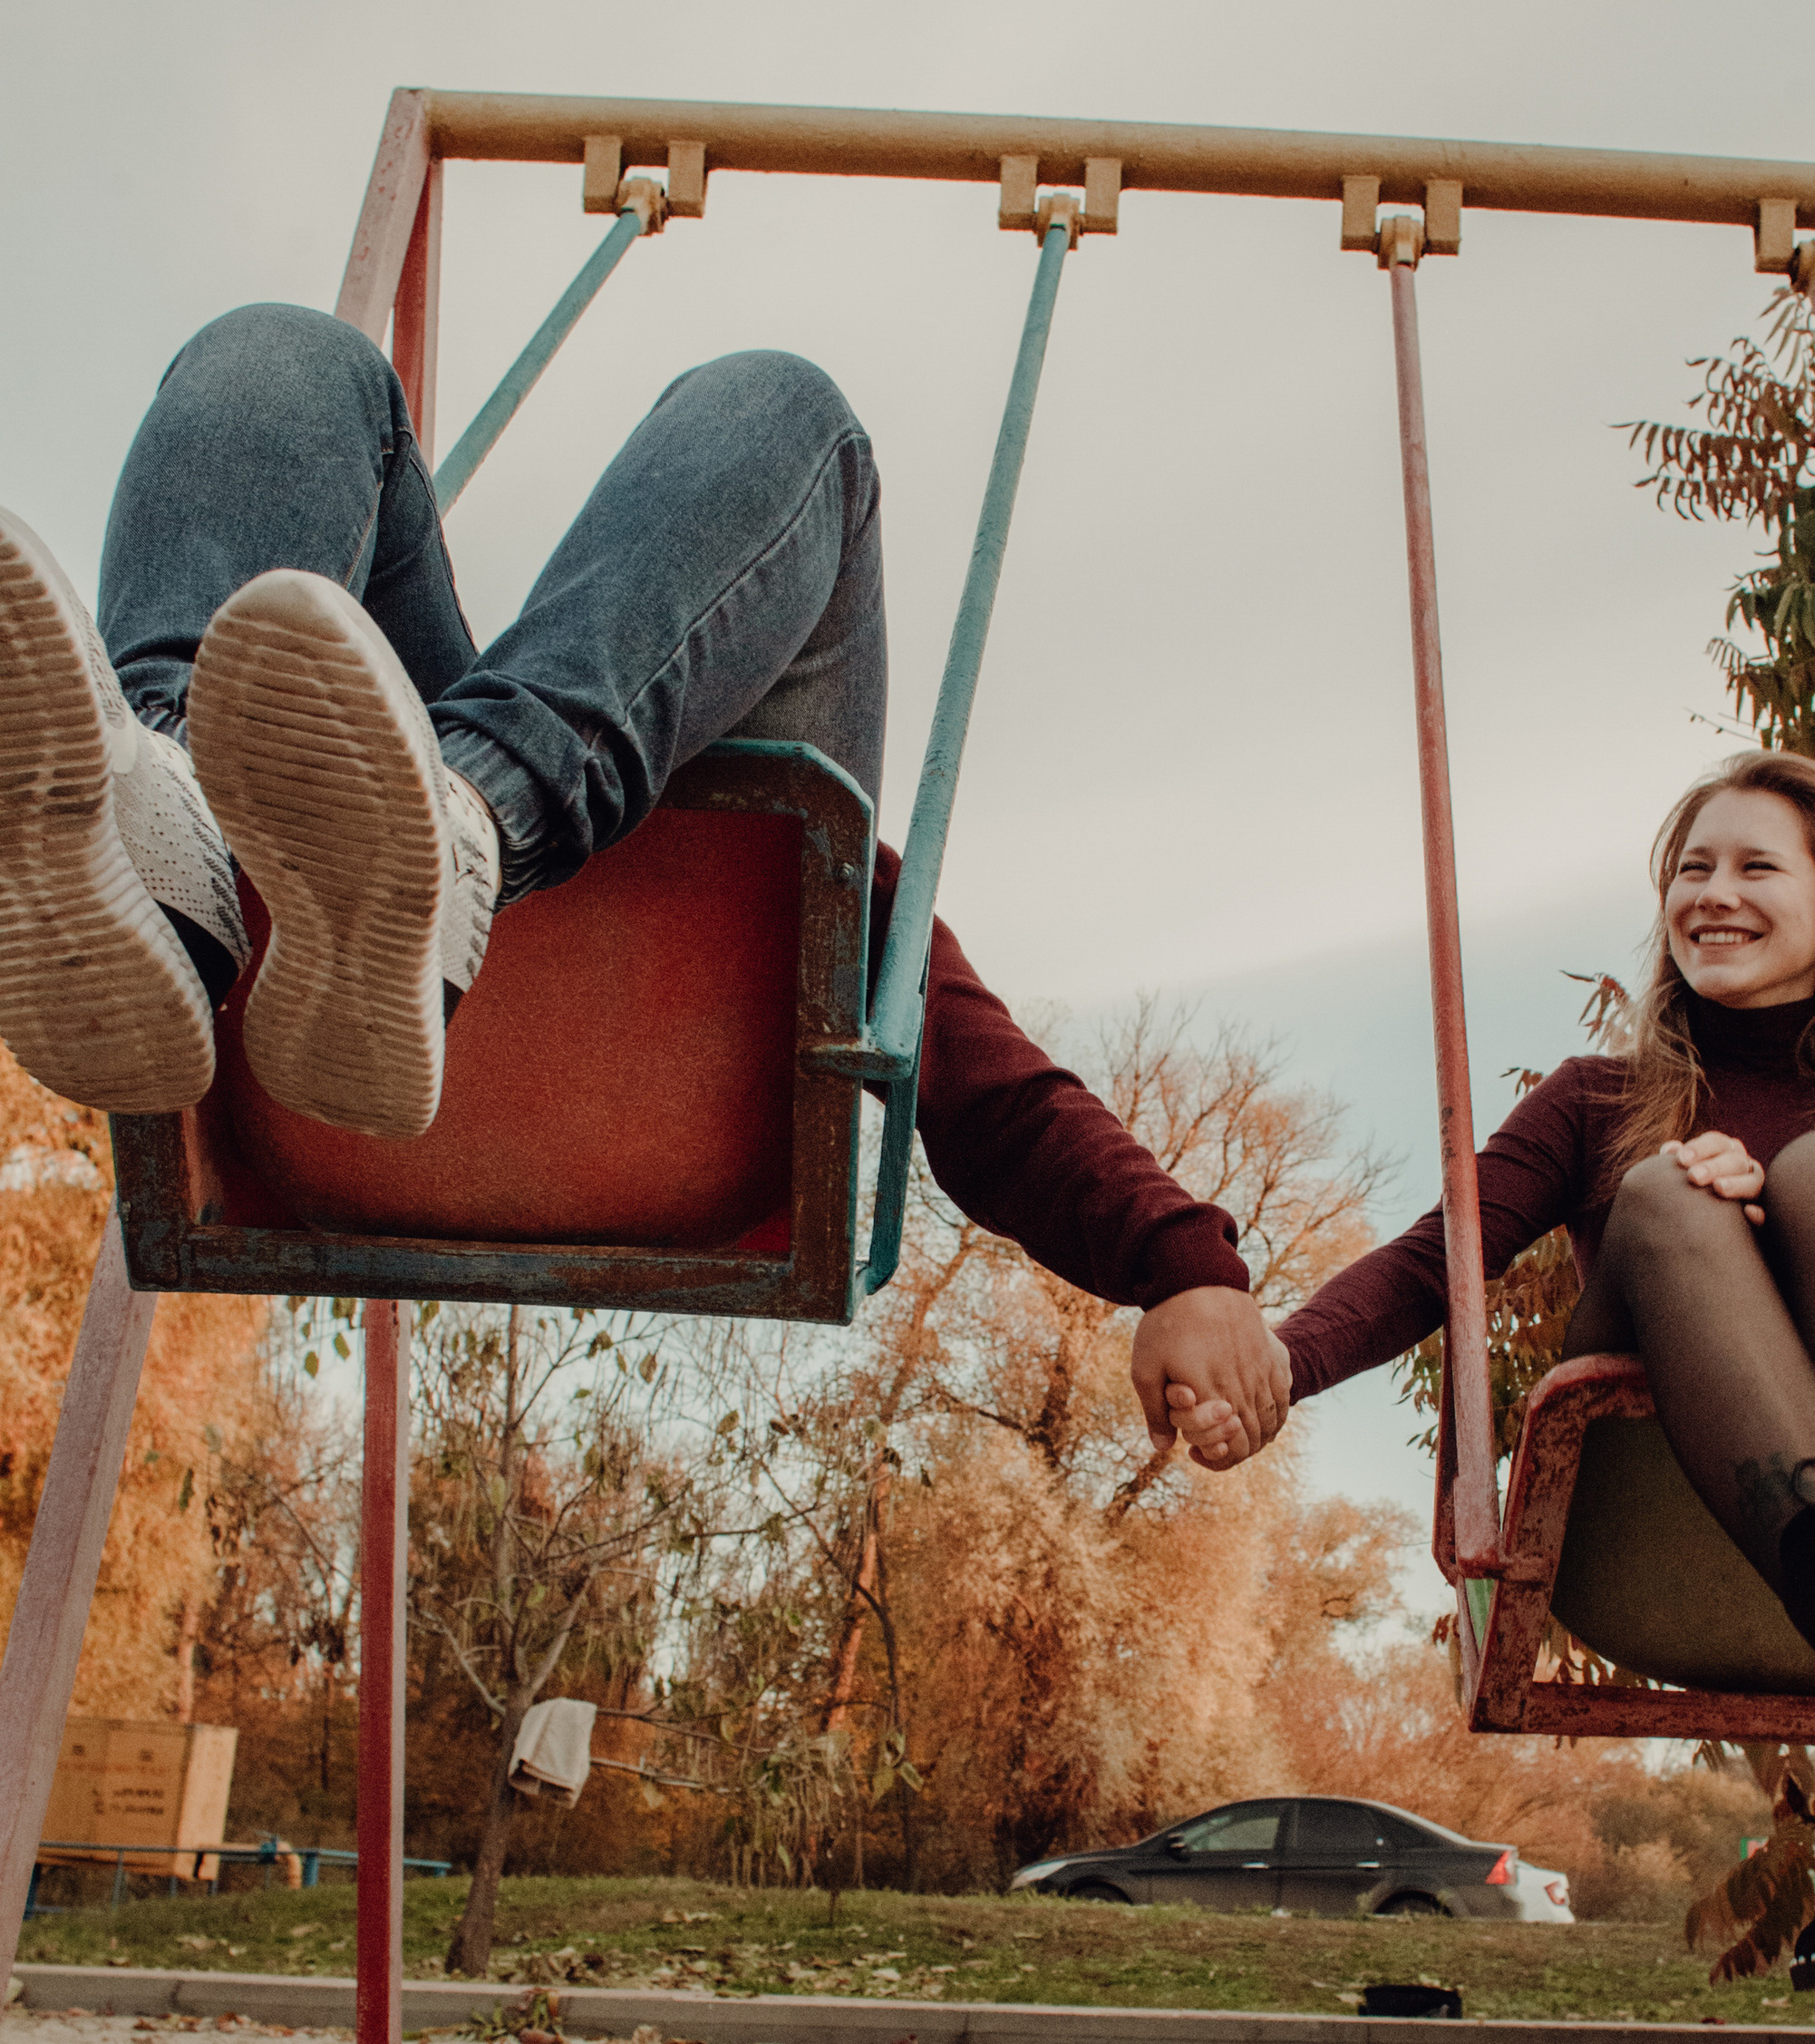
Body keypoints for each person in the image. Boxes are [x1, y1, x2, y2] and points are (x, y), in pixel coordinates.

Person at [0, 302, 1288, 1454]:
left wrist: (1181, 1262)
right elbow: (972, 1068)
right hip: (364, 1035)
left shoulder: (775, 867)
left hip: (434, 1092)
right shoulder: (791, 892)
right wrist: (1183, 1262)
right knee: (286, 356)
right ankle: (180, 862)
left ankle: (467, 821)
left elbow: (975, 1077)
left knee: (766, 404)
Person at [1162, 753, 1815, 1990]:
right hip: (1655, 1524)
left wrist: (1795, 1225)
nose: (1714, 893)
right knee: (1668, 1189)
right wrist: (1278, 1361)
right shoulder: (1597, 1103)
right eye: (1691, 869)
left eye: (1758, 866)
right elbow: (1442, 1258)